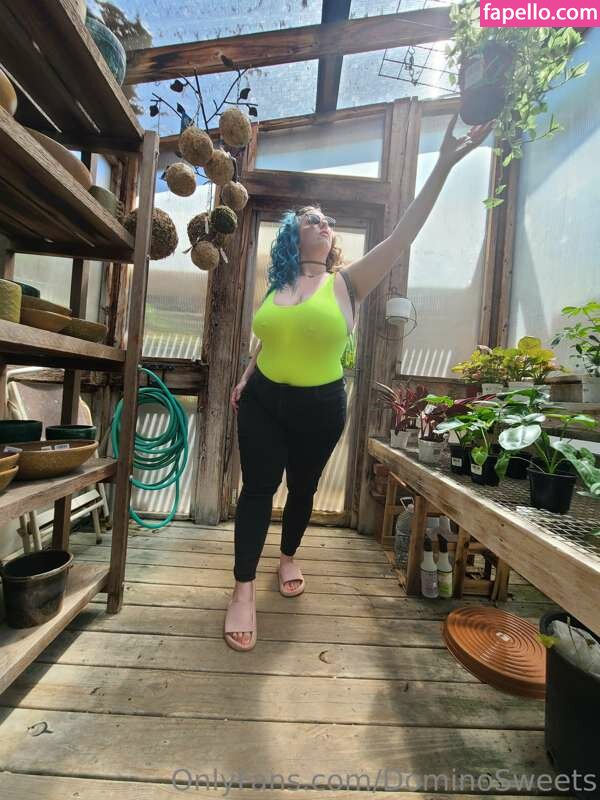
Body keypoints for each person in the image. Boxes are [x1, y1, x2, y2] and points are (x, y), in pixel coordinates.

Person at [224, 114, 493, 651]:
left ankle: (289, 556)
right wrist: (247, 373)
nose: (324, 224)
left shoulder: (347, 284)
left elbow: (404, 233)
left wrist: (444, 162)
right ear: (293, 235)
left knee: (302, 489)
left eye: (327, 221)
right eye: (312, 219)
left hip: (320, 408)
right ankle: (242, 589)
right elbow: (269, 337)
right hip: (261, 402)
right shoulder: (276, 286)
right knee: (256, 490)